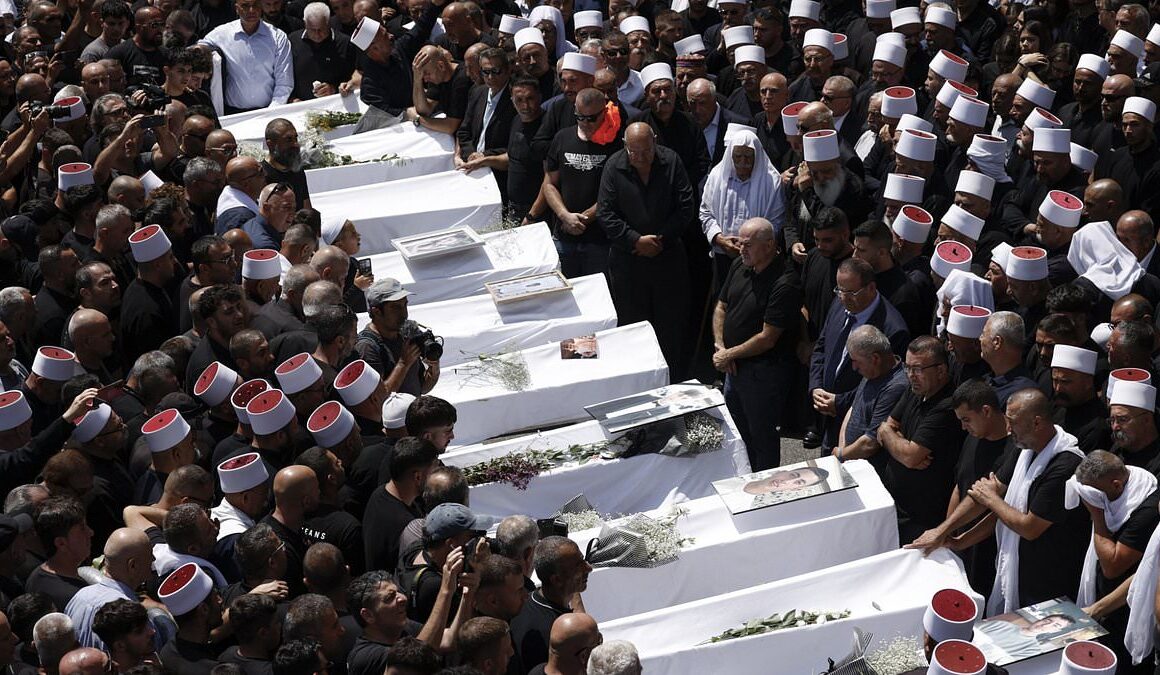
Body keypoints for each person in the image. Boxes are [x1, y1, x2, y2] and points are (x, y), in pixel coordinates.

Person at [910, 388, 1090, 613]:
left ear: (1036, 423)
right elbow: (987, 498)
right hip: (1015, 567)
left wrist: (992, 499)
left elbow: (1028, 527)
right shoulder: (1023, 449)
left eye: (1013, 422)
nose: (1007, 428)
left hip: (1048, 578)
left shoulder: (1064, 465)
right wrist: (946, 533)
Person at [597, 122, 695, 378]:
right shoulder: (613, 166)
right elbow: (606, 213)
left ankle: (672, 379)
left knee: (670, 327)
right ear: (625, 146)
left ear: (654, 141)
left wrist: (659, 240)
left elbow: (685, 207)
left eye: (646, 151)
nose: (640, 158)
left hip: (668, 259)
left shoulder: (671, 161)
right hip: (629, 261)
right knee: (633, 325)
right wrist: (635, 240)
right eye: (634, 152)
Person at [712, 218, 801, 470]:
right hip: (733, 368)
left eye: (748, 245)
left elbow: (768, 338)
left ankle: (767, 488)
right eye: (741, 243)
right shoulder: (740, 265)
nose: (742, 249)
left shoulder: (784, 282)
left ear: (769, 245)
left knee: (761, 436)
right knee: (738, 432)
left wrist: (730, 354)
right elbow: (721, 306)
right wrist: (721, 347)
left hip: (764, 373)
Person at [808, 257, 910, 454]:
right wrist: (816, 387)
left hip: (858, 422)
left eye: (851, 293)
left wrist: (840, 402)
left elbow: (882, 382)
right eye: (839, 290)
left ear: (871, 288)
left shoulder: (892, 329)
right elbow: (821, 347)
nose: (844, 298)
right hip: (826, 411)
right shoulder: (840, 305)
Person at [543, 86, 622, 278]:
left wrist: (583, 218)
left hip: (600, 239)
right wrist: (564, 215)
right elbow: (549, 184)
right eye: (580, 117)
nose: (585, 123)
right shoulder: (563, 137)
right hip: (564, 233)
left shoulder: (616, 144)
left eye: (592, 118)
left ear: (604, 112)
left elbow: (616, 191)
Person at [199, 0, 293, 113]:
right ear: (237, 8)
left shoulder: (278, 38)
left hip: (268, 110)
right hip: (232, 113)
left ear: (261, 7)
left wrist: (271, 112)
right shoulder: (222, 34)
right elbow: (201, 46)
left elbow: (284, 82)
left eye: (255, 5)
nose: (251, 10)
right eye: (245, 6)